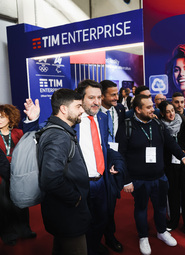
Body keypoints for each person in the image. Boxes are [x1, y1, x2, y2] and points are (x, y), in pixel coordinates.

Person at [23, 80, 126, 255]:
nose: (97, 102)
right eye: (91, 97)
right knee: (78, 226)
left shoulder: (102, 117)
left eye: (99, 97)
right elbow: (42, 137)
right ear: (80, 98)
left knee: (100, 220)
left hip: (101, 182)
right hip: (77, 185)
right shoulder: (70, 120)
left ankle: (92, 247)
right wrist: (32, 121)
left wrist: (117, 160)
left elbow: (104, 146)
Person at [121, 94, 185, 255]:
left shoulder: (157, 123)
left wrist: (183, 156)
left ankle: (161, 231)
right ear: (138, 109)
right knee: (141, 209)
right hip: (139, 180)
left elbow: (170, 143)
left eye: (152, 106)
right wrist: (126, 181)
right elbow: (121, 154)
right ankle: (143, 237)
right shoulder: (127, 126)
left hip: (160, 177)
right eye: (149, 107)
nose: (153, 109)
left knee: (161, 208)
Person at [38, 89, 90, 255]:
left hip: (63, 213)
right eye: (78, 106)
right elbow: (51, 179)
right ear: (63, 109)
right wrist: (75, 197)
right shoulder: (58, 136)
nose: (82, 110)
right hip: (68, 213)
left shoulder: (57, 130)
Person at [0, 104, 36, 246]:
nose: (0, 119)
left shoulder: (19, 133)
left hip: (20, 174)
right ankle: (8, 234)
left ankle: (25, 230)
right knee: (4, 206)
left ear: (10, 117)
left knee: (21, 204)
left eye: (2, 116)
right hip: (2, 177)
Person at [158, 101, 185, 235]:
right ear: (162, 113)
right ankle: (173, 221)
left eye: (172, 110)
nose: (171, 113)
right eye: (167, 111)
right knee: (172, 194)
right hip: (169, 165)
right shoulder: (159, 126)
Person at [99, 79, 125, 253]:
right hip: (98, 165)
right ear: (102, 96)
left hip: (115, 162)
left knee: (111, 204)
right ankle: (95, 238)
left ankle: (109, 236)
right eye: (113, 94)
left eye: (117, 93)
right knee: (98, 205)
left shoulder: (120, 110)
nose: (118, 97)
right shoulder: (92, 114)